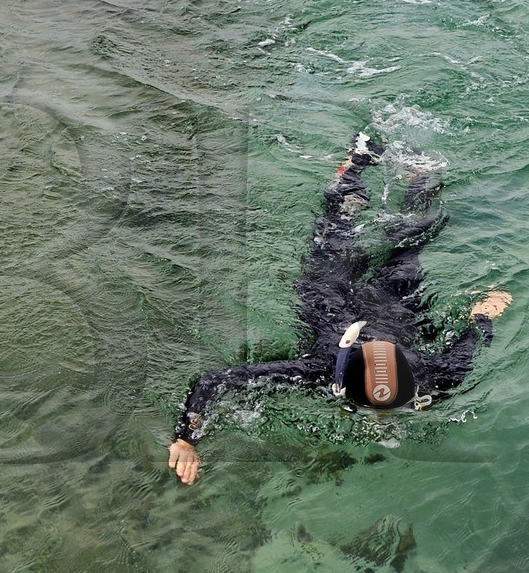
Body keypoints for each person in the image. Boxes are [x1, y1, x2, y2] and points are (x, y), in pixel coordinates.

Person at [168, 131, 511, 485]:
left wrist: (483, 315)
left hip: (383, 304)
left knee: (401, 244)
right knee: (359, 233)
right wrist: (185, 438)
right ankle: (361, 167)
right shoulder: (322, 370)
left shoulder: (433, 374)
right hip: (336, 298)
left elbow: (219, 380)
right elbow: (217, 381)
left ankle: (410, 176)